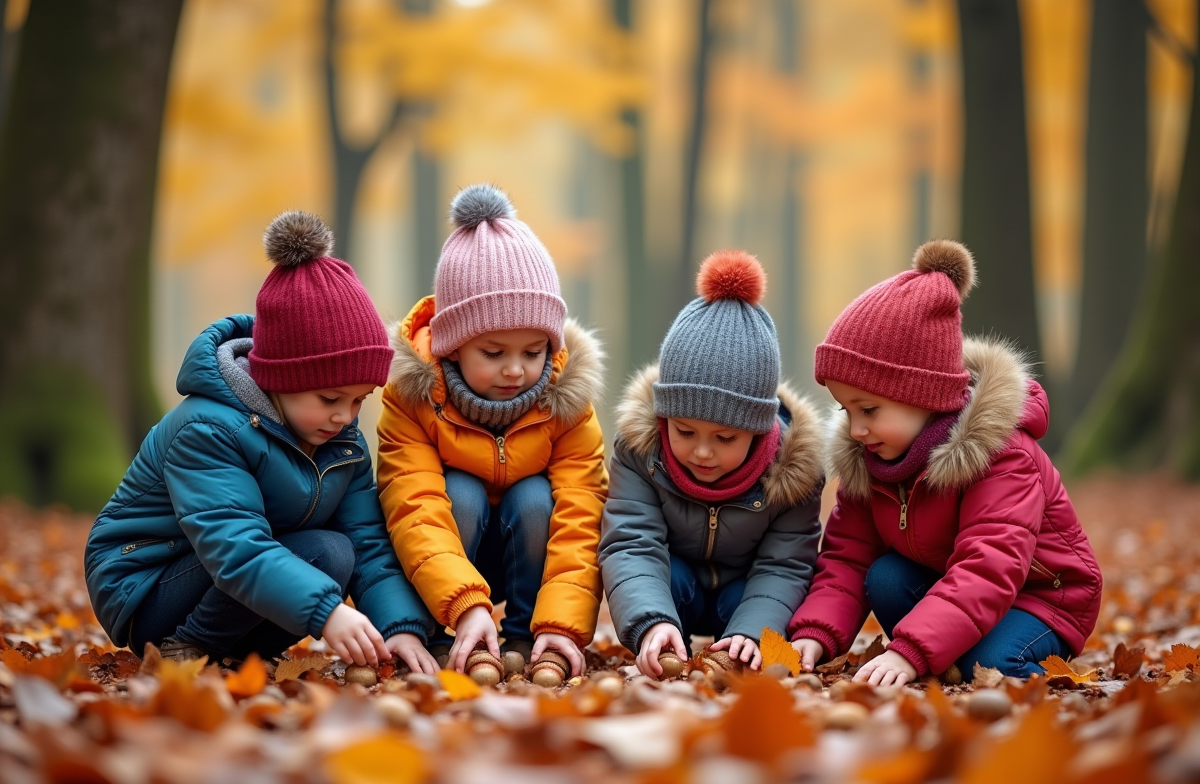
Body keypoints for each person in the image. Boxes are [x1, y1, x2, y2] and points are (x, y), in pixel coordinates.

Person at [85, 211, 437, 673]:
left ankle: (239, 652)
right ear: (278, 378)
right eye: (330, 397)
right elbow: (235, 545)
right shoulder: (208, 429)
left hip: (233, 579)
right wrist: (329, 612)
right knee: (322, 554)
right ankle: (186, 648)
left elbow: (368, 541)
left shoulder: (339, 439)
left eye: (359, 400)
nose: (345, 417)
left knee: (337, 552)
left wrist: (401, 626)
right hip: (149, 585)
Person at [789, 240, 1102, 686]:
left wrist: (910, 652)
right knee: (887, 578)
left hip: (1041, 598)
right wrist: (816, 633)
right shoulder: (872, 457)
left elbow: (988, 565)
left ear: (924, 397)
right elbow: (846, 558)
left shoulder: (1002, 455)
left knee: (993, 668)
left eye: (870, 410)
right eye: (846, 411)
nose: (856, 429)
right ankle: (948, 651)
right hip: (952, 587)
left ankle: (971, 657)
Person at [377, 184, 607, 678]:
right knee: (458, 490)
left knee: (535, 497)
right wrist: (462, 603)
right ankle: (446, 637)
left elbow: (582, 508)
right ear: (453, 345)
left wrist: (562, 624)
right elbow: (413, 505)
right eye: (494, 352)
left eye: (532, 351)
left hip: (527, 552)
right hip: (449, 560)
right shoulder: (413, 399)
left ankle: (528, 636)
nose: (516, 371)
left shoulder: (565, 402)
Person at [600, 250, 824, 677]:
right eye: (684, 432)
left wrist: (754, 632)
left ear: (758, 432)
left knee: (753, 601)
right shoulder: (641, 452)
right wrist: (651, 621)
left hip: (742, 595)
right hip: (673, 586)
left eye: (725, 438)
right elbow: (632, 541)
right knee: (667, 575)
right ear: (665, 417)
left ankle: (735, 641)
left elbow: (785, 564)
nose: (702, 452)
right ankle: (668, 637)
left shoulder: (793, 475)